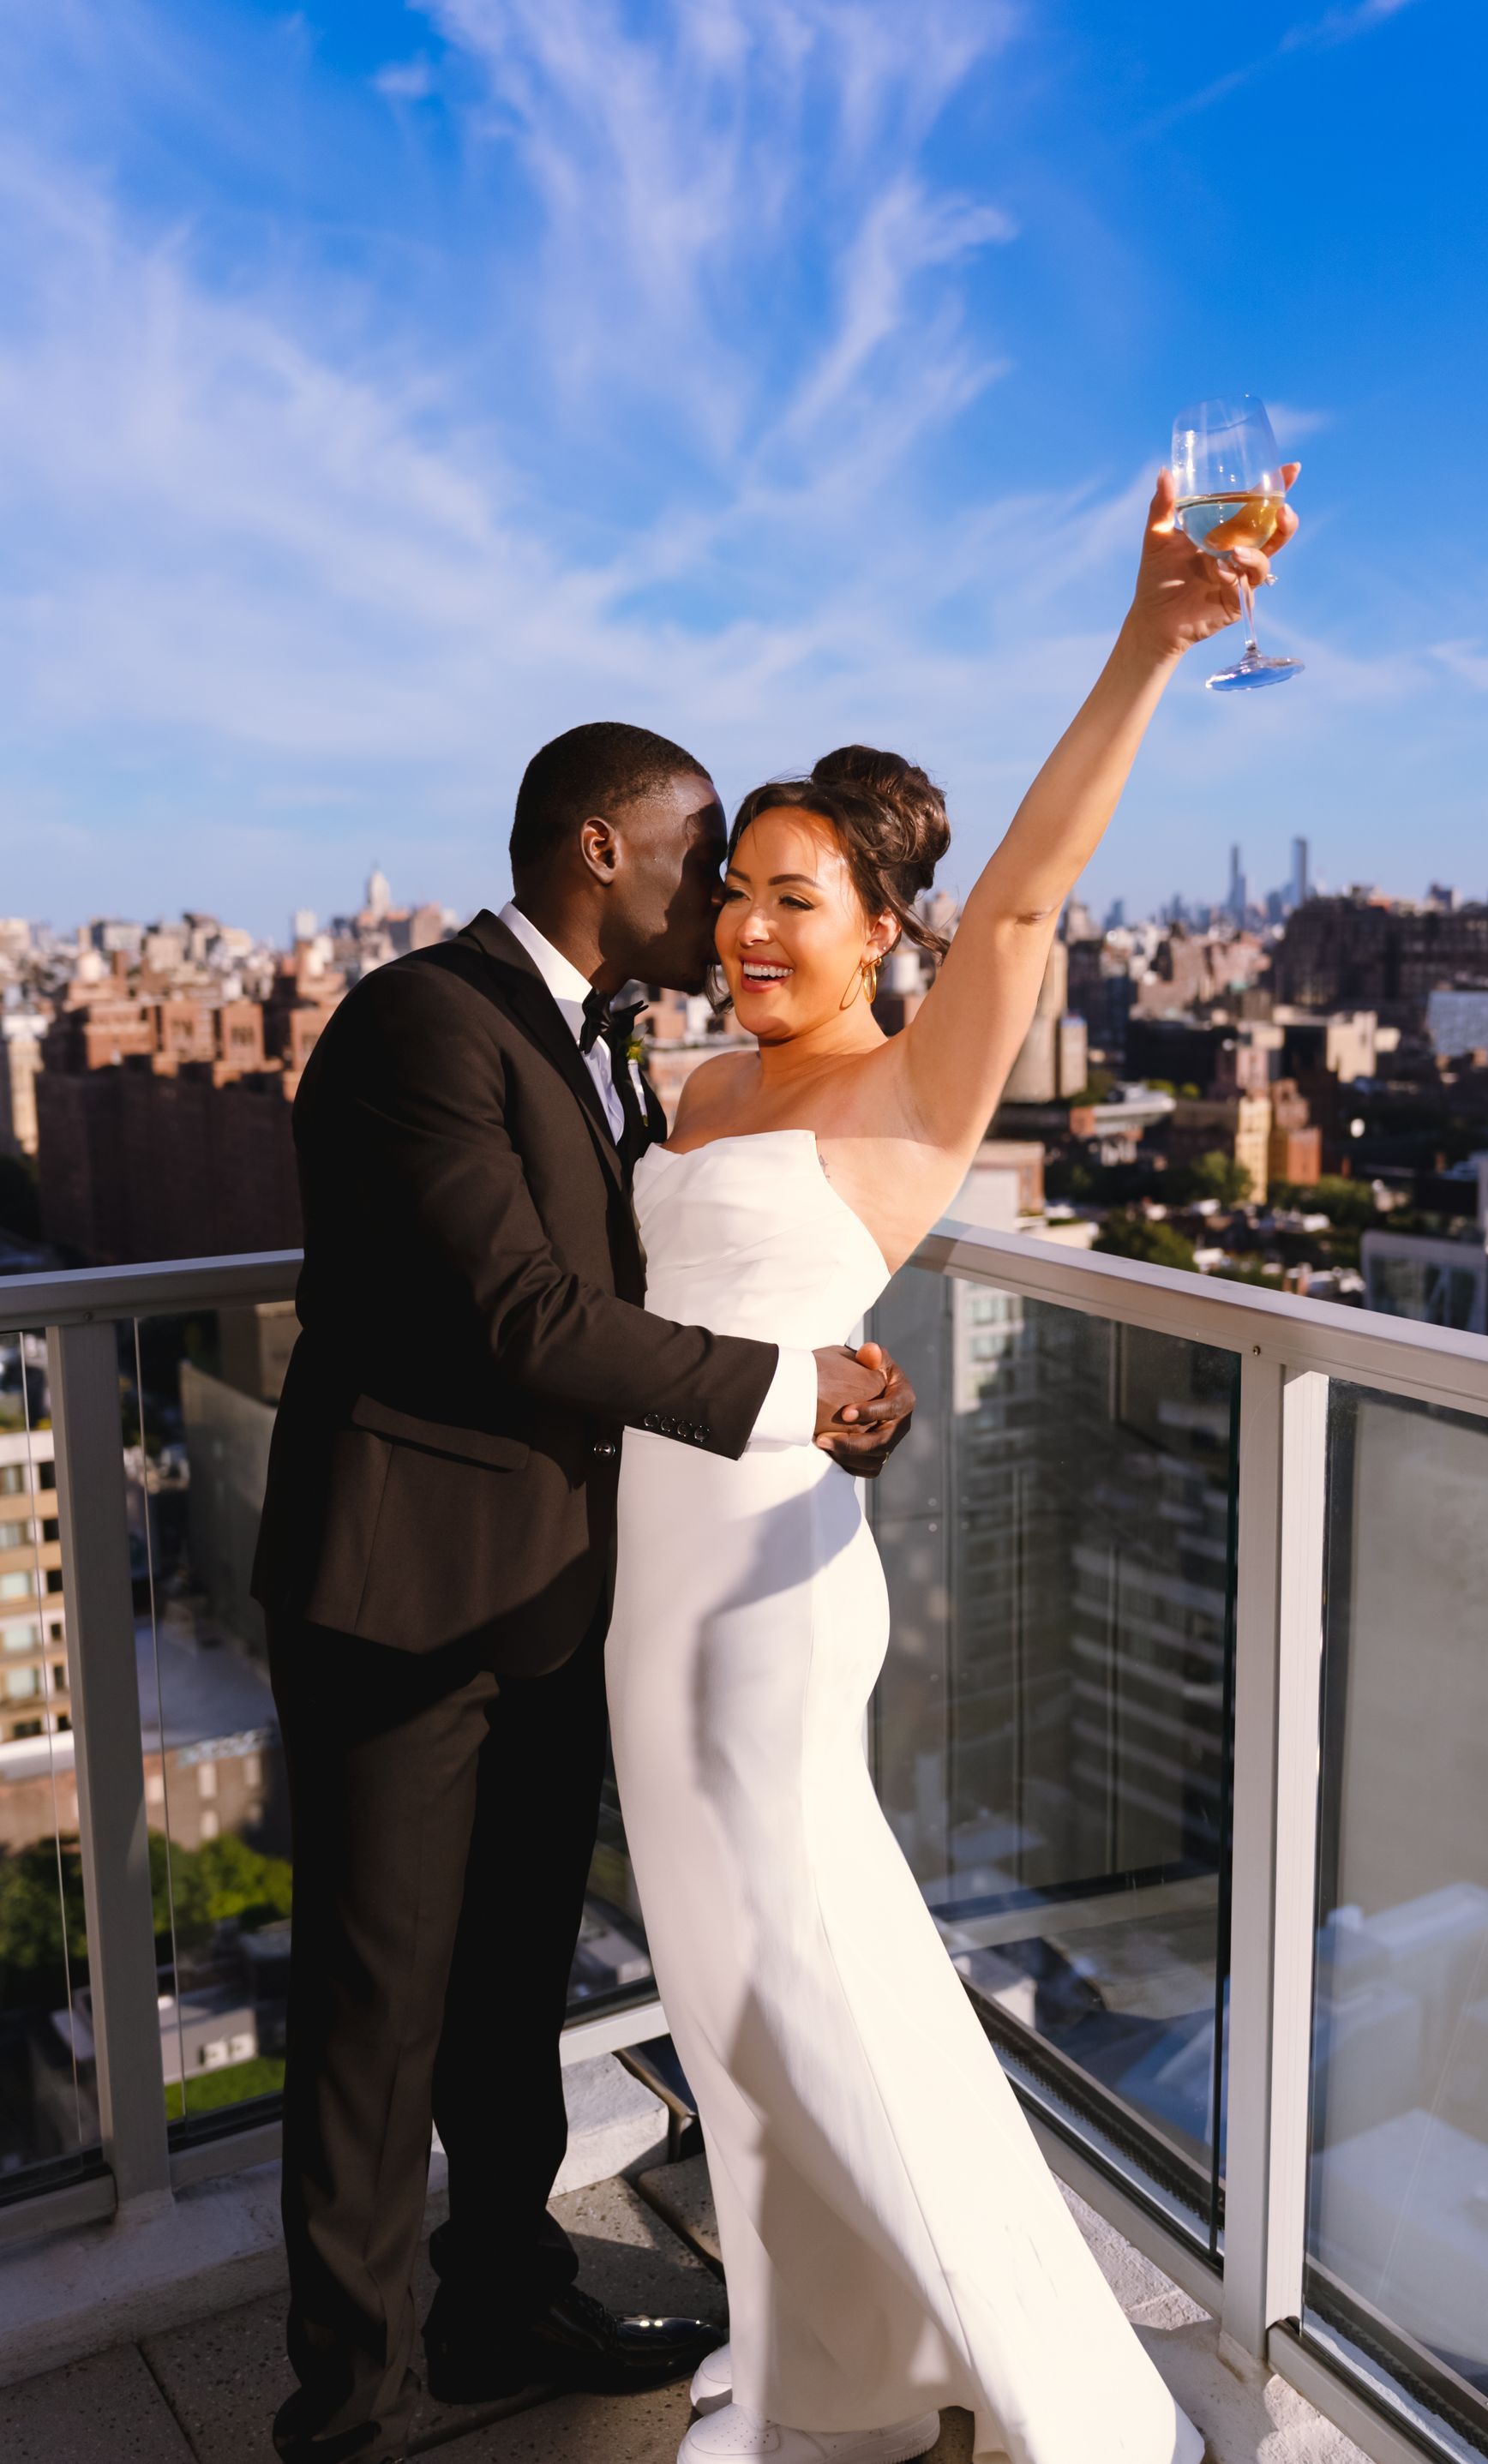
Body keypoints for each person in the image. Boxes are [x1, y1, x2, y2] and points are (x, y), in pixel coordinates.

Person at [605, 465, 1300, 2464]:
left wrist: (1154, 640)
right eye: (735, 886)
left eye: (791, 898)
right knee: (735, 2031)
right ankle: (826, 2381)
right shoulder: (696, 1076)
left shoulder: (905, 1088)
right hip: (650, 1594)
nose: (743, 923)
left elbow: (1024, 899)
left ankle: (1082, 2414)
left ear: (883, 930)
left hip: (763, 1601)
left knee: (824, 1995)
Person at [252, 722, 917, 2464]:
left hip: (553, 1595)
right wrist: (797, 1392)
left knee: (507, 1998)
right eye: (706, 859)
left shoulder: (606, 1039)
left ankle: (500, 2290)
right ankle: (354, 2411)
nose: (719, 903)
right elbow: (528, 1320)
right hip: (399, 1602)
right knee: (375, 2022)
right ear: (604, 852)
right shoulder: (423, 1023)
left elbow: (656, 1277)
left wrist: (832, 1390)